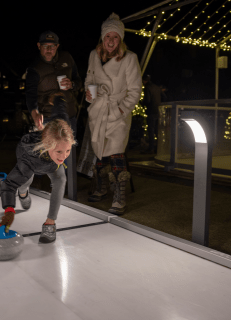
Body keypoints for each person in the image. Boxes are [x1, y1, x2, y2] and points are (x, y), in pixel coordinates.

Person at [0, 94, 76, 243]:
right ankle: (23, 192)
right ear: (48, 146)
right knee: (25, 179)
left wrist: (57, 99)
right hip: (30, 157)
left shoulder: (62, 130)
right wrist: (9, 210)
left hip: (49, 160)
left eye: (67, 150)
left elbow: (61, 112)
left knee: (60, 179)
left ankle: (50, 223)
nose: (64, 156)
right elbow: (8, 185)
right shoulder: (29, 158)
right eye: (59, 152)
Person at [85, 13, 142, 215]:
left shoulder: (130, 58)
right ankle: (101, 187)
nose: (110, 41)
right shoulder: (94, 55)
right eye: (107, 37)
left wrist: (120, 110)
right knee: (100, 151)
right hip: (99, 110)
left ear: (121, 39)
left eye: (115, 37)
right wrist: (91, 97)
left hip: (117, 113)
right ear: (102, 37)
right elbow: (90, 78)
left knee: (116, 152)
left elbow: (135, 90)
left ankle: (119, 196)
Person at [25, 30, 82, 199]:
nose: (49, 50)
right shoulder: (34, 69)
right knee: (48, 157)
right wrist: (34, 113)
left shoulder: (67, 58)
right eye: (45, 46)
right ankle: (46, 194)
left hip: (69, 116)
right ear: (39, 46)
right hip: (48, 118)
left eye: (52, 46)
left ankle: (71, 196)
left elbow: (80, 81)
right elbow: (30, 95)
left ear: (57, 46)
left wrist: (72, 84)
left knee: (68, 155)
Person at [142, 74, 163, 154]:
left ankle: (151, 148)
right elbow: (164, 97)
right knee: (157, 130)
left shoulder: (147, 87)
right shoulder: (157, 87)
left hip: (151, 111)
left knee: (151, 130)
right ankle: (158, 148)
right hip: (158, 111)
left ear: (144, 81)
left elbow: (147, 100)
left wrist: (142, 102)